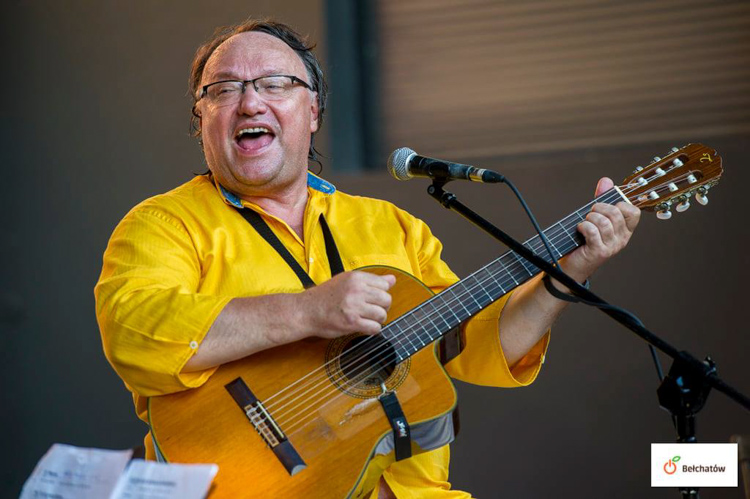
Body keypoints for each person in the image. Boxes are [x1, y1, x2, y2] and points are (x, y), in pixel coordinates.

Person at [94, 19, 640, 498]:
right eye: (224, 89)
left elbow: (479, 347)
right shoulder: (162, 225)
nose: (250, 101)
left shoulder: (392, 226)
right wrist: (307, 312)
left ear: (313, 111)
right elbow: (134, 334)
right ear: (202, 119)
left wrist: (570, 272)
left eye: (275, 84)